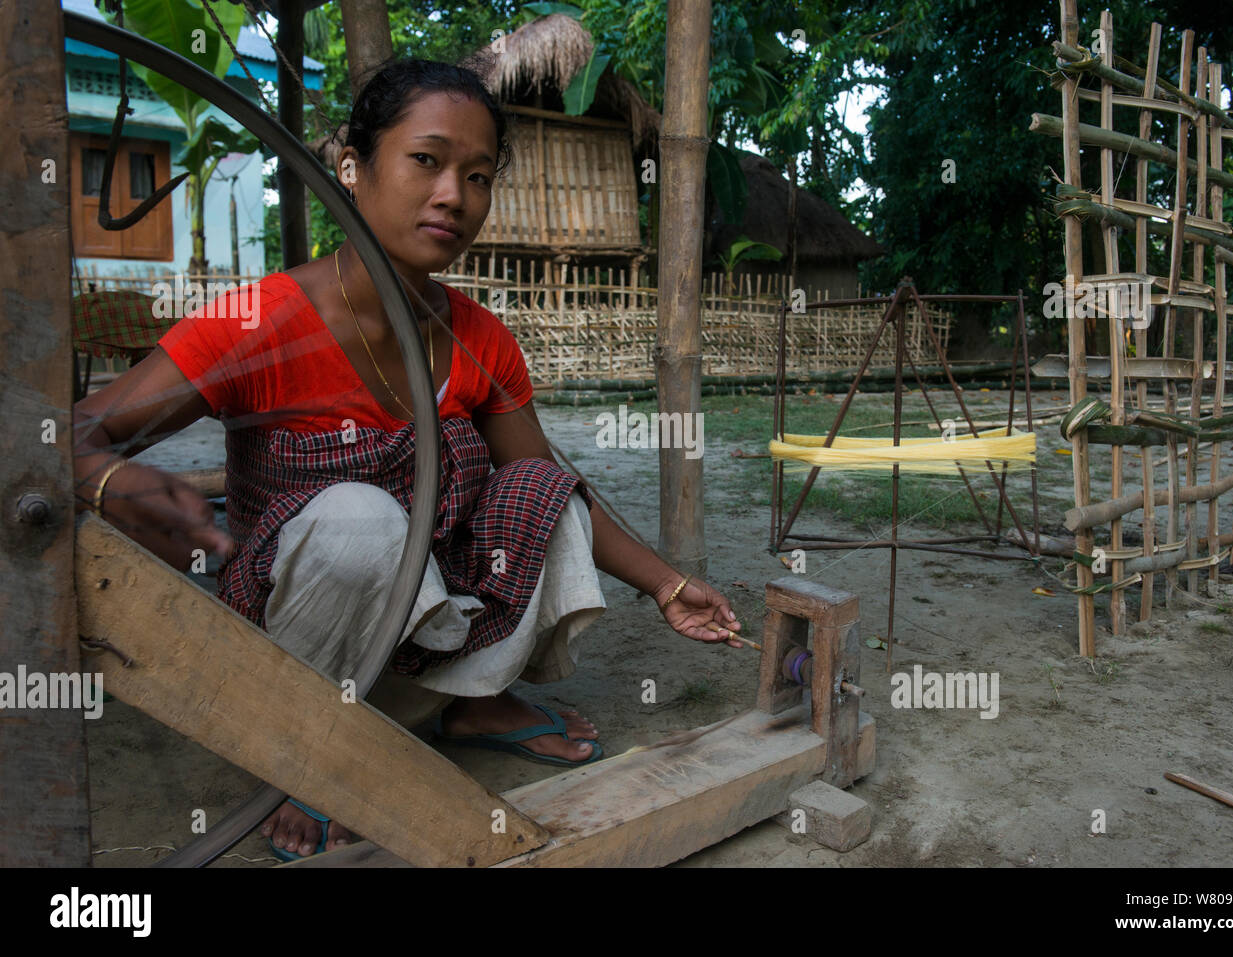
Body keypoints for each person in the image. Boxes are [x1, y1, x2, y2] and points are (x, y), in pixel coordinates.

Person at [72, 59, 743, 861]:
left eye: (479, 174)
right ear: (353, 167)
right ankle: (307, 757)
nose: (454, 195)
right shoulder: (262, 318)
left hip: (418, 629)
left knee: (544, 492)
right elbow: (67, 435)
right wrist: (111, 482)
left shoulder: (479, 337)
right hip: (292, 649)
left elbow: (556, 486)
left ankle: (463, 702)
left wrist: (668, 584)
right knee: (361, 520)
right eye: (426, 160)